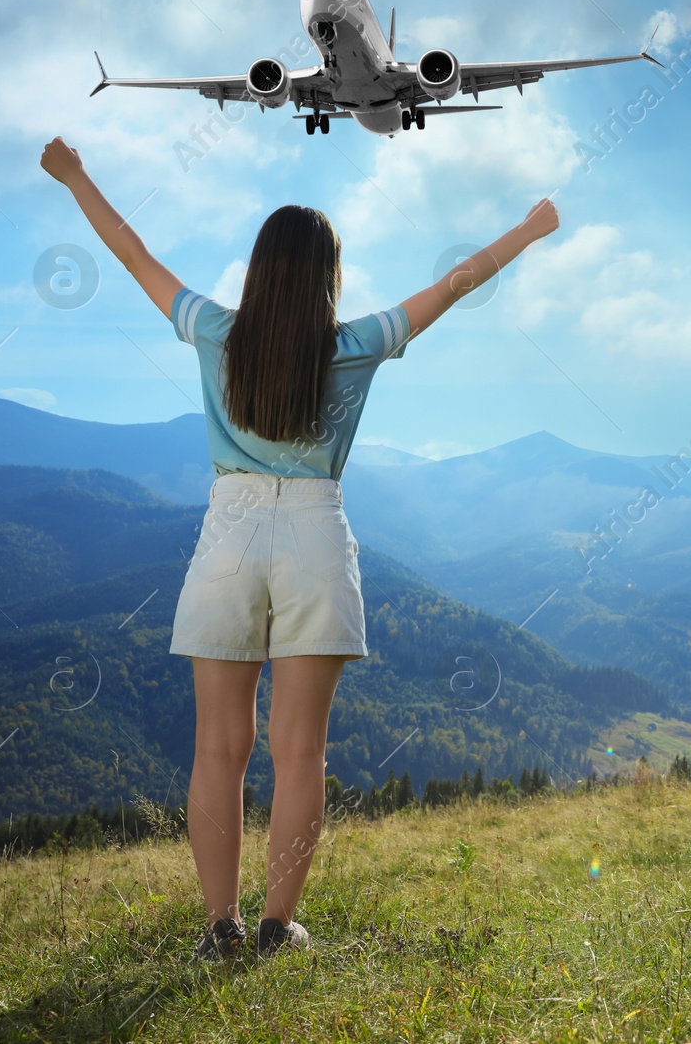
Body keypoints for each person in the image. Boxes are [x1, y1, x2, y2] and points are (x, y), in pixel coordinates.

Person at [39, 136, 559, 960]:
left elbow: (132, 251)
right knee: (301, 750)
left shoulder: (213, 332)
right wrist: (528, 231)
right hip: (316, 530)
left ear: (259, 269)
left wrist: (75, 176)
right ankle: (279, 927)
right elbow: (454, 285)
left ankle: (221, 928)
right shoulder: (356, 345)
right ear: (327, 276)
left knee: (218, 747)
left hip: (229, 533)